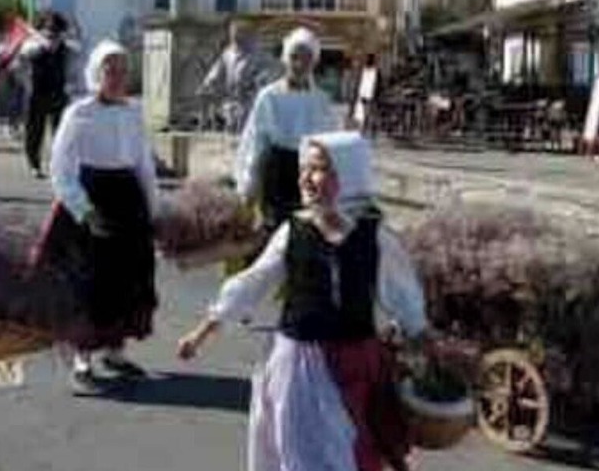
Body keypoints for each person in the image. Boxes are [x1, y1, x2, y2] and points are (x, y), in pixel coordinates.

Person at [178, 130, 427, 471]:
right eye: (304, 169)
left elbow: (403, 295)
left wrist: (423, 338)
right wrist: (204, 330)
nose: (306, 179)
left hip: (356, 362)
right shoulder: (292, 231)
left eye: (318, 169)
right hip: (299, 367)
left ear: (348, 174)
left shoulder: (375, 236)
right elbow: (252, 283)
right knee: (304, 457)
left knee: (351, 455)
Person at [35, 40, 160, 395]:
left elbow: (143, 164)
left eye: (123, 70)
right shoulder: (79, 113)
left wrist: (154, 209)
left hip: (127, 198)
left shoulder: (133, 111)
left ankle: (115, 352)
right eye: (111, 70)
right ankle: (83, 358)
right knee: (90, 279)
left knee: (128, 276)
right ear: (96, 73)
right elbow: (60, 166)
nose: (118, 77)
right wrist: (82, 209)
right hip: (92, 197)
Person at [234, 27, 339, 242]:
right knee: (275, 232)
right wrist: (248, 187)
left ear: (314, 61)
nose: (300, 64)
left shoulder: (321, 101)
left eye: (306, 58)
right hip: (277, 172)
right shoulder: (269, 96)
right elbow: (255, 142)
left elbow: (331, 145)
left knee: (307, 235)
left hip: (309, 172)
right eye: (294, 57)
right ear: (285, 59)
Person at [20, 11, 79, 179]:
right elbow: (24, 54)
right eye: (48, 31)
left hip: (58, 94)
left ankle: (58, 165)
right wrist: (41, 43)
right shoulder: (33, 46)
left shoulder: (66, 48)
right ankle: (34, 164)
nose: (52, 35)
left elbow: (76, 55)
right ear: (42, 30)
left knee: (60, 133)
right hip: (36, 94)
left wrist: (61, 42)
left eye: (55, 31)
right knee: (34, 132)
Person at [198, 19, 278, 133]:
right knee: (231, 128)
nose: (233, 36)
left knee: (247, 129)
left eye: (237, 33)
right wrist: (208, 84)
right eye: (232, 33)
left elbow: (271, 71)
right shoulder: (228, 54)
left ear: (246, 34)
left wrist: (257, 81)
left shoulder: (258, 55)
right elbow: (216, 71)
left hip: (250, 101)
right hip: (231, 101)